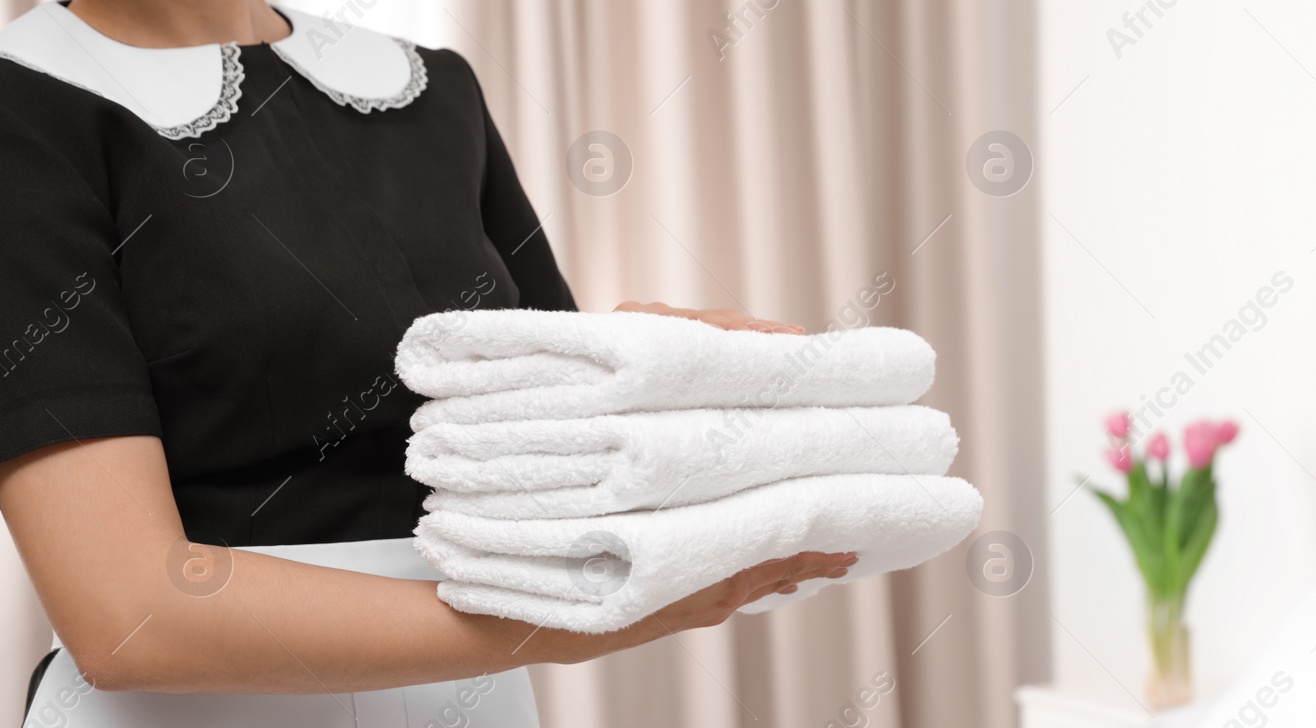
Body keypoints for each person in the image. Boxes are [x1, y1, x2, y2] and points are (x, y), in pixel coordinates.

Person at [0, 2, 852, 725]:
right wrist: (575, 620)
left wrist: (648, 364)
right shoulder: (27, 107)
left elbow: (536, 449)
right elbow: (131, 616)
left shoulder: (428, 89)